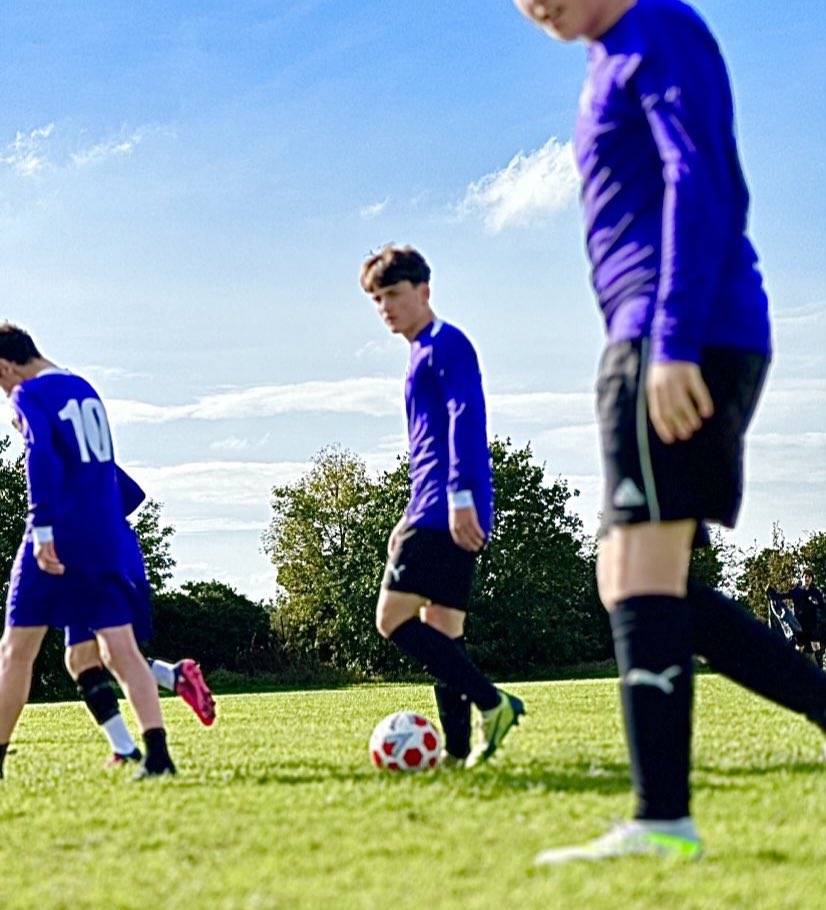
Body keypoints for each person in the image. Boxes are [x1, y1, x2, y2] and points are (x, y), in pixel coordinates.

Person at [510, 0, 826, 862]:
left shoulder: (658, 28)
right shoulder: (607, 55)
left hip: (677, 335)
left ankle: (662, 821)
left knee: (642, 571)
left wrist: (673, 340)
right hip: (648, 335)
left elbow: (702, 178)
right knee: (633, 578)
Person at [360, 244, 524, 768]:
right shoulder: (418, 353)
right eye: (378, 299)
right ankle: (455, 753)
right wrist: (407, 515)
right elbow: (427, 446)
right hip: (432, 505)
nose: (385, 307)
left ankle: (492, 703)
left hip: (444, 507)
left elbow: (465, 418)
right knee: (443, 631)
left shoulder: (446, 344)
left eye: (394, 294)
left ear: (424, 290)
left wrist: (457, 499)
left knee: (391, 618)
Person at [0, 323, 176, 779]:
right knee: (120, 650)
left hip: (59, 532)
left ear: (5, 367)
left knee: (16, 650)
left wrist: (42, 529)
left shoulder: (28, 394)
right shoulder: (84, 388)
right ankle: (158, 756)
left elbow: (40, 456)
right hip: (103, 534)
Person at [66, 466, 216, 768]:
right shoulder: (84, 447)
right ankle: (171, 680)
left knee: (99, 655)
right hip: (103, 553)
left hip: (93, 558)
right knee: (91, 656)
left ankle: (141, 749)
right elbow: (133, 494)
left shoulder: (61, 446)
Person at [768, 570, 826, 670]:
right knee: (800, 644)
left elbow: (822, 606)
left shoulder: (815, 592)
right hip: (799, 624)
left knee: (815, 642)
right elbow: (783, 596)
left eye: (809, 577)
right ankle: (793, 664)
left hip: (812, 624)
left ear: (812, 579)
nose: (807, 578)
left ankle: (819, 664)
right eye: (805, 576)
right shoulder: (797, 591)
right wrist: (773, 594)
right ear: (802, 578)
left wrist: (816, 603)